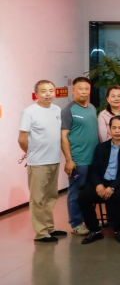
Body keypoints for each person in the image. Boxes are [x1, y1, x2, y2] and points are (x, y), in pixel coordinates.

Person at [78, 115, 120, 244]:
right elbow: (94, 169)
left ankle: (119, 230)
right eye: (114, 127)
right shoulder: (101, 147)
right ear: (110, 129)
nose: (117, 131)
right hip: (103, 181)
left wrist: (112, 187)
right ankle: (94, 230)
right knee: (83, 196)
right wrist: (99, 185)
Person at [19, 80, 66, 242]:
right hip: (38, 163)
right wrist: (32, 153)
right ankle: (41, 233)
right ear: (36, 94)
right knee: (37, 199)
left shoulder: (57, 109)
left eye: (51, 91)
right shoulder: (29, 112)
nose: (48, 94)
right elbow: (22, 139)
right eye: (44, 91)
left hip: (54, 160)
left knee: (51, 197)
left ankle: (50, 228)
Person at [60, 77, 99, 236]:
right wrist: (69, 160)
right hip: (78, 161)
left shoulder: (92, 108)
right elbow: (63, 137)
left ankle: (89, 221)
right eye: (80, 89)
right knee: (76, 192)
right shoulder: (68, 110)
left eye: (86, 89)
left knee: (90, 193)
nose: (84, 92)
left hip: (94, 159)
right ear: (73, 90)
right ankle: (76, 223)